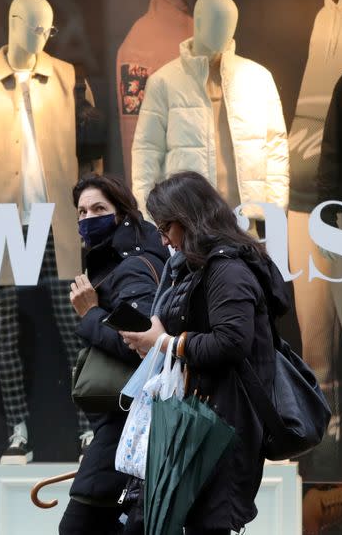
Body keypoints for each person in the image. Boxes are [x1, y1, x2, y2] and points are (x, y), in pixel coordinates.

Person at [121, 171, 288, 534]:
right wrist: (155, 345)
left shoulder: (227, 269)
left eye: (166, 227)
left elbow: (230, 342)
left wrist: (163, 343)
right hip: (200, 420)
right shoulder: (199, 267)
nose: (163, 240)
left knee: (206, 524)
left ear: (190, 219)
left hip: (221, 425)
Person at [59, 175, 169, 535]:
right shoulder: (113, 264)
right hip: (122, 429)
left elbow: (140, 344)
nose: (88, 217)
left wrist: (90, 313)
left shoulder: (133, 267)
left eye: (99, 209)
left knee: (77, 528)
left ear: (122, 215)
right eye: (82, 211)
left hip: (128, 429)